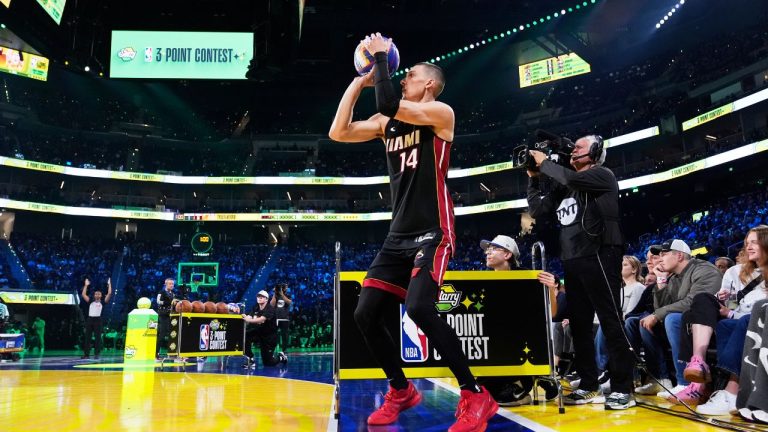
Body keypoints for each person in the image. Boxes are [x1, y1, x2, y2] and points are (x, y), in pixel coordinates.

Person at [329, 33, 498, 430]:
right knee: (365, 313)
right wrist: (361, 79)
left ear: (430, 85)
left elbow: (390, 100)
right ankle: (401, 390)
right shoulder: (387, 122)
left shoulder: (441, 114)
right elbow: (338, 131)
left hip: (433, 230)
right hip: (397, 235)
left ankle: (476, 394)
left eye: (412, 75)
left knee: (422, 307)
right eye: (401, 74)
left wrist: (383, 58)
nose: (404, 78)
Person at [526, 134, 636, 410]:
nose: (573, 151)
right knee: (579, 326)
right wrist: (534, 176)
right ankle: (589, 385)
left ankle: (624, 388)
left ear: (596, 152)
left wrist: (547, 163)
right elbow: (538, 208)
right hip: (573, 259)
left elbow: (573, 179)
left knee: (610, 320)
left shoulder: (602, 175)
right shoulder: (565, 185)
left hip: (600, 252)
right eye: (572, 147)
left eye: (579, 147)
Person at [678, 226, 767, 413]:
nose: (748, 247)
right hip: (738, 315)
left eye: (754, 242)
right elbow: (735, 305)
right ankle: (698, 363)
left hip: (754, 321)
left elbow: (760, 312)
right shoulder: (737, 271)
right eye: (747, 243)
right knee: (700, 301)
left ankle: (730, 391)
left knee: (734, 322)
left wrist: (731, 314)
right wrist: (724, 300)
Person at [476, 235, 559, 406]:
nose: (487, 253)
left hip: (524, 346)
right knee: (483, 391)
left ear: (507, 255)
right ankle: (525, 382)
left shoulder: (528, 278)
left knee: (503, 397)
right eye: (487, 250)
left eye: (493, 249)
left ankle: (527, 380)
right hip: (497, 347)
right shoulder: (484, 282)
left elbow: (550, 314)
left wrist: (550, 289)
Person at [640, 239, 722, 400]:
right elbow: (660, 308)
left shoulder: (704, 270)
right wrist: (661, 280)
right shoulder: (674, 277)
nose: (660, 259)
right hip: (682, 321)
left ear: (679, 256)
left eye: (664, 254)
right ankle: (661, 378)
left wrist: (658, 314)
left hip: (706, 323)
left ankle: (684, 382)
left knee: (672, 319)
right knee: (642, 322)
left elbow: (695, 301)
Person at [242, 290, 287, 368]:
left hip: (269, 337)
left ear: (266, 299)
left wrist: (248, 320)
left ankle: (281, 357)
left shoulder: (270, 309)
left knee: (268, 363)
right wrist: (244, 317)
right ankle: (250, 359)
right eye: (258, 296)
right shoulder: (255, 307)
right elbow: (249, 317)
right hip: (259, 332)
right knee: (245, 335)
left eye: (262, 297)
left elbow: (261, 319)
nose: (259, 298)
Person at [81, 277, 112, 359]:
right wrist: (86, 285)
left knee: (98, 338)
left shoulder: (103, 302)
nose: (97, 295)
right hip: (90, 319)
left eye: (99, 294)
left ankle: (97, 354)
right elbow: (83, 294)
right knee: (87, 337)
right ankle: (86, 354)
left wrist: (109, 284)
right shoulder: (90, 301)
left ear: (101, 295)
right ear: (94, 295)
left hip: (98, 320)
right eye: (96, 294)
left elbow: (109, 294)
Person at [155, 278, 176, 359]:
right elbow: (158, 301)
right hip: (163, 315)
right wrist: (169, 303)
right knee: (162, 334)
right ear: (165, 284)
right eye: (170, 284)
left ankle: (171, 352)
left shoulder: (173, 294)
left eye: (173, 284)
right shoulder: (161, 292)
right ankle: (156, 353)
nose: (171, 285)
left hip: (171, 315)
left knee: (172, 334)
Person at [270, 283, 292, 351]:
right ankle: (273, 348)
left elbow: (288, 302)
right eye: (286, 287)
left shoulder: (288, 295)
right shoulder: (275, 295)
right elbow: (271, 304)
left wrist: (282, 294)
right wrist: (275, 293)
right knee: (273, 334)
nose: (287, 288)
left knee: (284, 335)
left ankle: (284, 349)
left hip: (285, 318)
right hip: (276, 318)